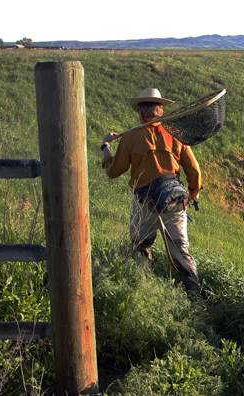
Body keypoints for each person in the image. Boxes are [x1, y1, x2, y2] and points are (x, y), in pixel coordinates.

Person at [101, 88, 202, 296]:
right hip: (173, 201)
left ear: (140, 112)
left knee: (140, 246)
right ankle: (194, 295)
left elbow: (113, 172)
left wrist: (105, 147)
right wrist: (193, 191)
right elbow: (193, 169)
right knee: (181, 252)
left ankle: (144, 290)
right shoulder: (176, 134)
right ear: (161, 111)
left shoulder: (129, 137)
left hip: (143, 201)